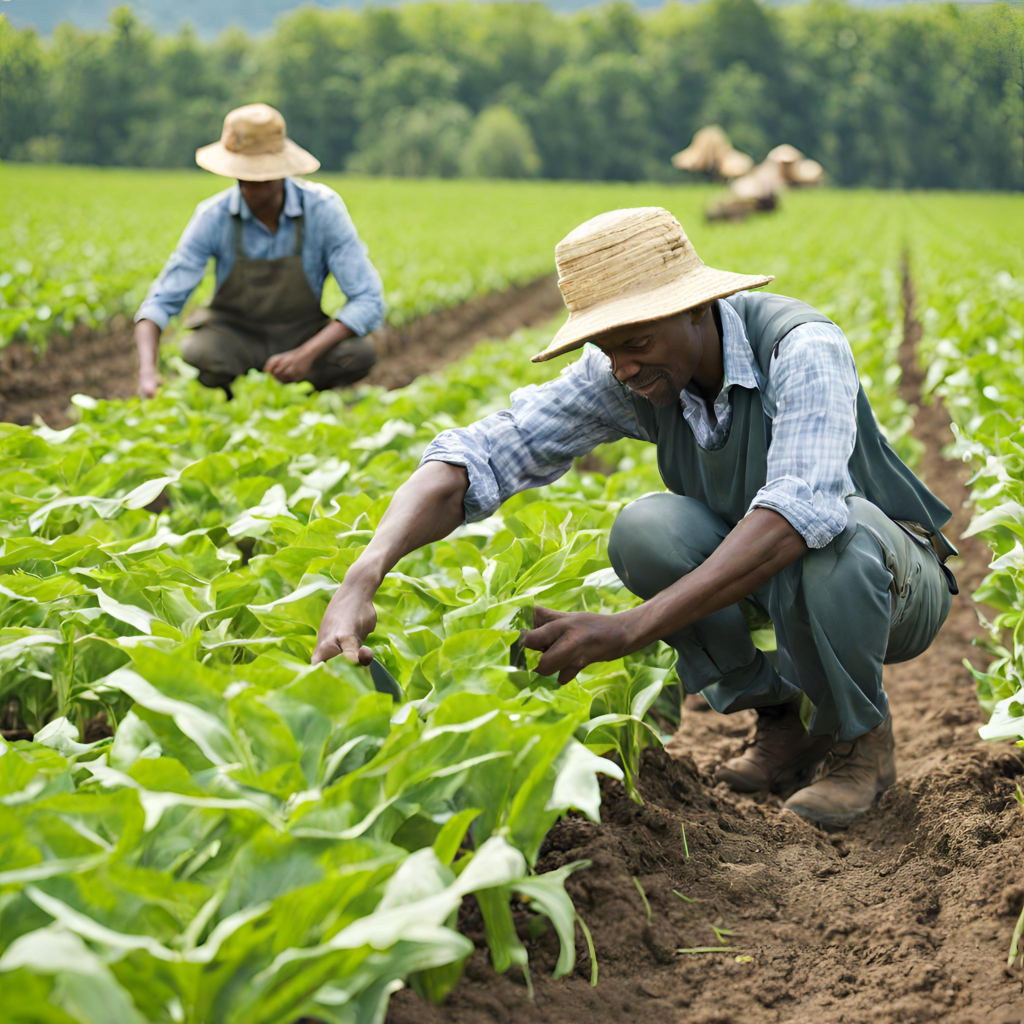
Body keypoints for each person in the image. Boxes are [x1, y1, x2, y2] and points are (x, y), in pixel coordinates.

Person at [312, 207, 958, 830]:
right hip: (764, 571)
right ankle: (782, 721)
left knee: (831, 543)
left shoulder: (801, 348)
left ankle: (859, 740)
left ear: (697, 309)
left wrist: (629, 629)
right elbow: (482, 452)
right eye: (605, 346)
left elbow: (798, 516)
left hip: (887, 579)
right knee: (647, 532)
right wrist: (362, 575)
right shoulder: (629, 373)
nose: (622, 366)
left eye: (637, 342)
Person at [134, 103, 384, 399]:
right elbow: (161, 301)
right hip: (236, 338)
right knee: (198, 353)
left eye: (258, 179)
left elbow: (368, 300)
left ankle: (305, 389)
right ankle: (237, 395)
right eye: (241, 177)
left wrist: (305, 355)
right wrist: (147, 371)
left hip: (301, 334)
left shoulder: (322, 210)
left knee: (359, 352)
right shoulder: (213, 216)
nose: (248, 188)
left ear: (282, 172)